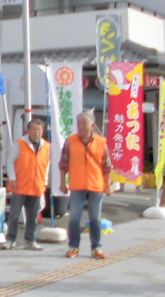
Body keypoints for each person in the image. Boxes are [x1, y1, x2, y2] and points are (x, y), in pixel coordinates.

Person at [59, 111, 113, 260]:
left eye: (84, 123)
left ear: (93, 125)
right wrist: (62, 183)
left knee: (95, 218)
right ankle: (73, 247)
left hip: (96, 185)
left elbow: (107, 167)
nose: (81, 127)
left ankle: (96, 248)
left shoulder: (101, 142)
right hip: (77, 185)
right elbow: (63, 165)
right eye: (79, 124)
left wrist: (108, 185)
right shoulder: (70, 141)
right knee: (74, 218)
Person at [3, 119, 50, 251]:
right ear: (28, 131)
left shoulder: (46, 145)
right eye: (34, 129)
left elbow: (46, 165)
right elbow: (10, 161)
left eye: (39, 129)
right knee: (14, 215)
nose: (37, 132)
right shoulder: (20, 144)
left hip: (37, 186)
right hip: (20, 185)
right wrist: (12, 178)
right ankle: (10, 239)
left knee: (33, 217)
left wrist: (45, 181)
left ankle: (30, 240)